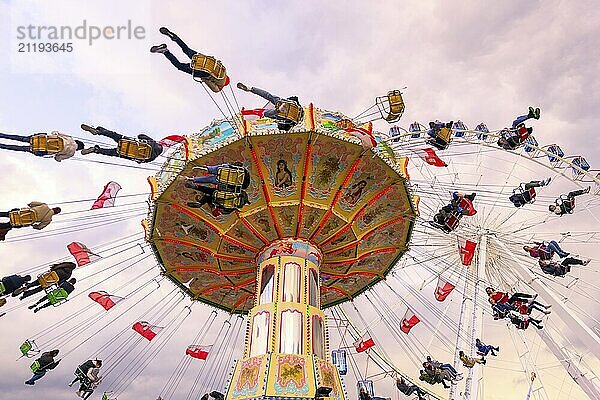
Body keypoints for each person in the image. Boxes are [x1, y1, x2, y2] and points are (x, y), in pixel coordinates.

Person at [150, 27, 230, 92]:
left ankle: (175, 37)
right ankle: (165, 51)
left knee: (186, 50)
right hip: (205, 73)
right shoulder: (219, 88)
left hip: (205, 60)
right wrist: (202, 78)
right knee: (180, 66)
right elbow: (210, 84)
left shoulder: (224, 71)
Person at [80, 124, 163, 163]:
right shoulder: (152, 158)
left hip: (126, 142)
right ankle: (96, 150)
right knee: (110, 153)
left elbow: (140, 136)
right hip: (124, 153)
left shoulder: (152, 142)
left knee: (112, 134)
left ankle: (98, 131)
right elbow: (139, 161)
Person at [237, 82, 302, 131]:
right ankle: (278, 110)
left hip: (283, 105)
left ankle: (250, 89)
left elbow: (294, 98)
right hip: (286, 114)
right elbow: (284, 127)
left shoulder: (293, 107)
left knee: (268, 96)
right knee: (265, 112)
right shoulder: (292, 122)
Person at [0, 131, 84, 161]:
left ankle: (2, 135)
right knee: (20, 148)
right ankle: (2, 145)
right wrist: (57, 157)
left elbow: (55, 132)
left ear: (77, 141)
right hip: (42, 149)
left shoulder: (70, 138)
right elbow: (58, 158)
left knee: (21, 138)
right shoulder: (71, 153)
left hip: (41, 139)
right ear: (78, 149)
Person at [186, 183, 250, 215]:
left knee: (207, 190)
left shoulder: (243, 195)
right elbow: (224, 211)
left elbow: (233, 188)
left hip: (221, 194)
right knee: (207, 198)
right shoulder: (233, 207)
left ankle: (196, 187)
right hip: (218, 200)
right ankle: (200, 203)